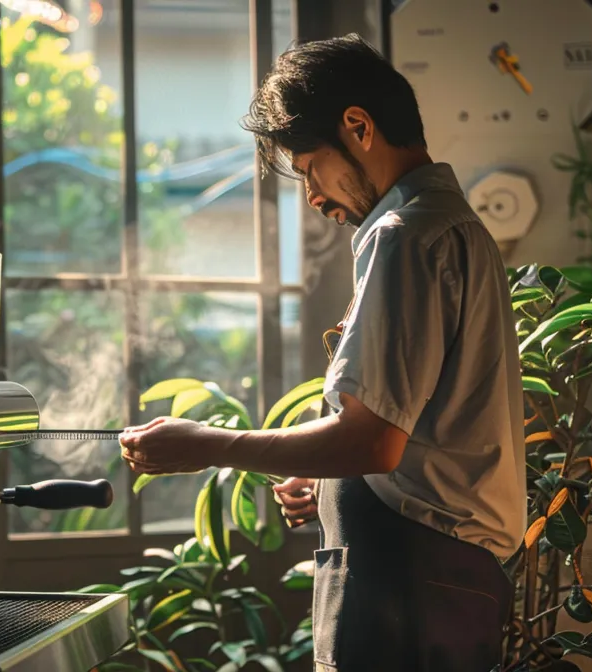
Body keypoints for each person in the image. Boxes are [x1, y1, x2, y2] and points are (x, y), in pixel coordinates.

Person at [118, 34, 524, 671]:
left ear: (358, 127)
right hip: (428, 582)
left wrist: (204, 446)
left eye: (309, 169)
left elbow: (370, 443)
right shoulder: (449, 227)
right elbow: (404, 437)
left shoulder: (404, 236)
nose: (312, 196)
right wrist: (336, 479)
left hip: (409, 585)